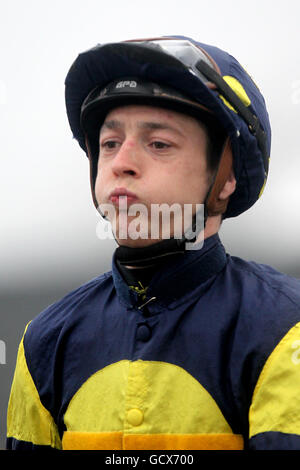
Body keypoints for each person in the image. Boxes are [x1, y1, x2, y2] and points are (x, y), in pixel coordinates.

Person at [6, 36, 300, 451]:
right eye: (109, 143)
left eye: (158, 144)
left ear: (226, 176)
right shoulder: (44, 341)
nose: (121, 162)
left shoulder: (287, 328)